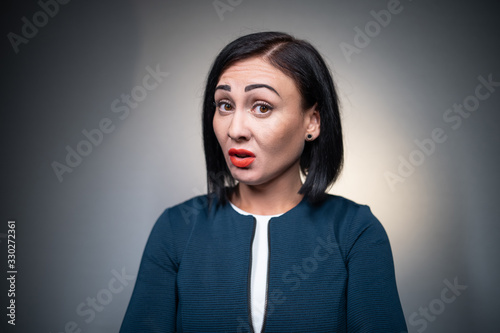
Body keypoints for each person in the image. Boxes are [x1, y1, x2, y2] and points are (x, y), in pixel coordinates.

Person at [119, 31, 407, 332]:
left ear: (313, 121)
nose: (236, 129)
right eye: (225, 105)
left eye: (262, 107)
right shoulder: (176, 228)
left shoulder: (355, 231)